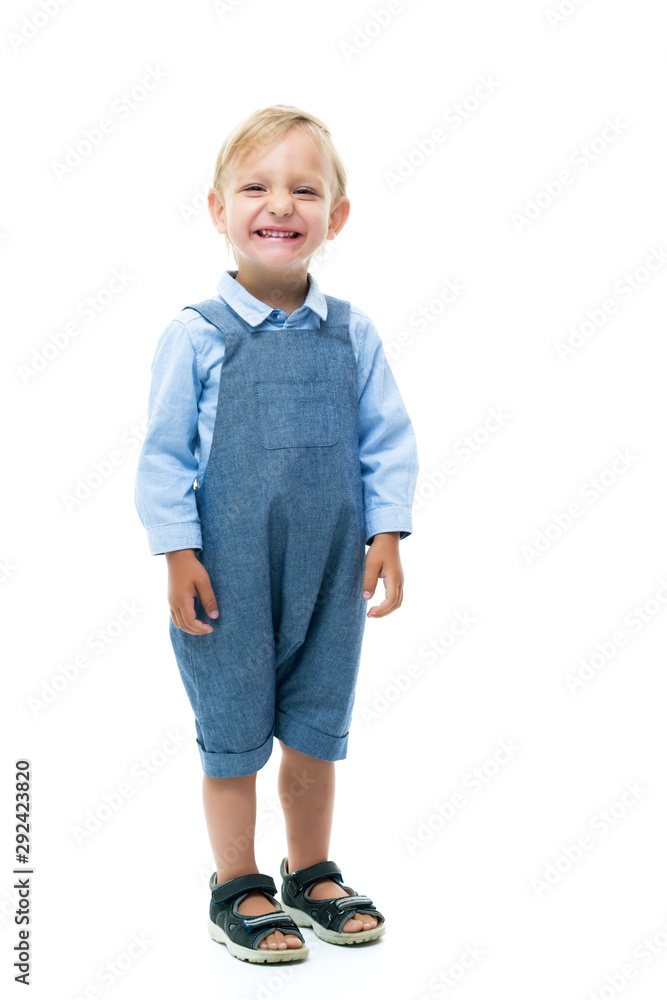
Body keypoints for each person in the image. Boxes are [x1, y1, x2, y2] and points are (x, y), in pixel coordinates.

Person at [134, 105, 419, 964]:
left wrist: (388, 533)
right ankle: (238, 883)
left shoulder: (350, 334)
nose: (279, 203)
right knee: (231, 728)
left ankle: (311, 871)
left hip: (331, 572)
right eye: (255, 186)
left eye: (304, 188)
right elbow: (162, 456)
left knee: (315, 721)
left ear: (334, 217)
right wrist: (178, 551)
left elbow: (387, 439)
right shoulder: (196, 336)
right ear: (217, 209)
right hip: (228, 572)